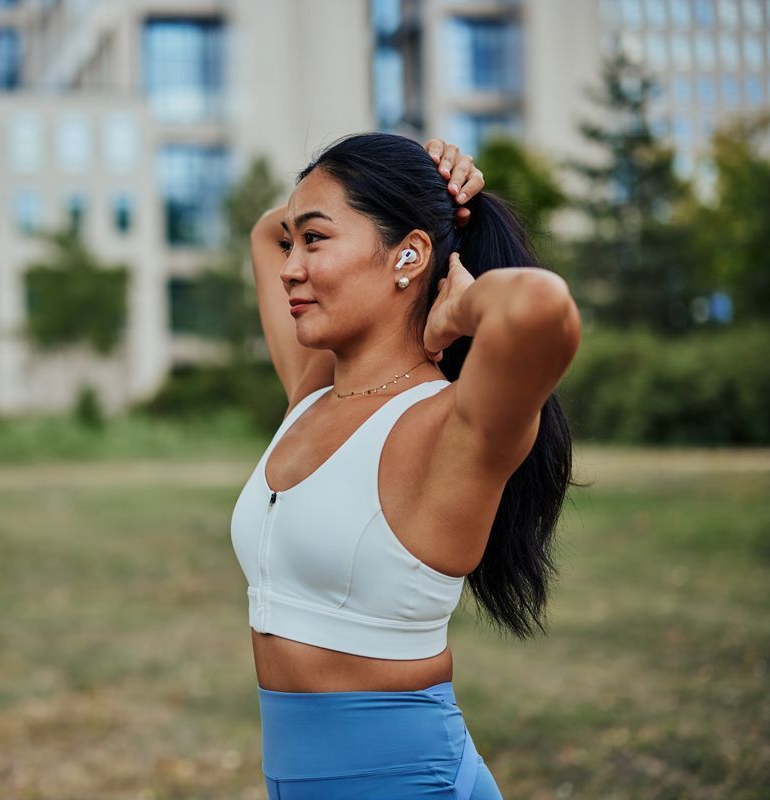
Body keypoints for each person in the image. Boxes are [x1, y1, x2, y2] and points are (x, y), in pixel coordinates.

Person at [230, 133, 581, 799]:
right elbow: (262, 233)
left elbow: (541, 307)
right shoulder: (311, 393)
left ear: (411, 254)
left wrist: (460, 305)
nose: (290, 266)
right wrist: (425, 179)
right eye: (297, 240)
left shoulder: (450, 427)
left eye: (316, 241)